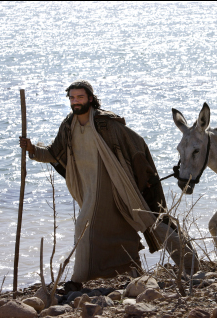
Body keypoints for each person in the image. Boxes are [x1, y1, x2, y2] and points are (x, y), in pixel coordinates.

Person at [19, 80, 198, 285]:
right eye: (72, 98)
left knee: (151, 221)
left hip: (119, 186)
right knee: (117, 232)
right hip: (91, 190)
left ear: (90, 99)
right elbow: (53, 153)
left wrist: (145, 177)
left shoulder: (106, 124)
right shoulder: (69, 125)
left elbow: (138, 145)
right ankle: (129, 272)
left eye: (80, 97)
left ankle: (193, 267)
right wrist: (32, 149)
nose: (75, 102)